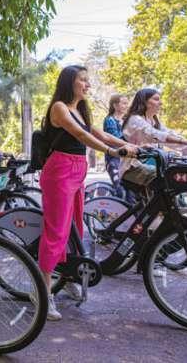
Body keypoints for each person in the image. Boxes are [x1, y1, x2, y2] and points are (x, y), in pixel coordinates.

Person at [38, 65, 137, 321]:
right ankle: (42, 292)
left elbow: (99, 133)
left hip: (77, 170)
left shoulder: (79, 109)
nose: (87, 84)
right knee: (56, 232)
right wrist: (113, 152)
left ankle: (66, 275)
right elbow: (80, 134)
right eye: (82, 80)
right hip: (60, 170)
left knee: (74, 229)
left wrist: (130, 145)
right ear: (69, 82)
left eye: (87, 80)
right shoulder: (59, 107)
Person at [120, 88, 187, 186]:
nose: (160, 103)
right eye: (156, 99)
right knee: (171, 177)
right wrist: (186, 142)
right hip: (131, 167)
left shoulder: (153, 121)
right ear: (144, 102)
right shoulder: (135, 119)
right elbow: (156, 135)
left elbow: (170, 134)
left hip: (149, 163)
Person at [103, 94, 132, 200]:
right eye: (123, 103)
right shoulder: (110, 120)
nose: (126, 106)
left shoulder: (127, 120)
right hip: (114, 160)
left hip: (128, 160)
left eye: (127, 103)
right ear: (115, 105)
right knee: (121, 190)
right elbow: (115, 139)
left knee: (132, 191)